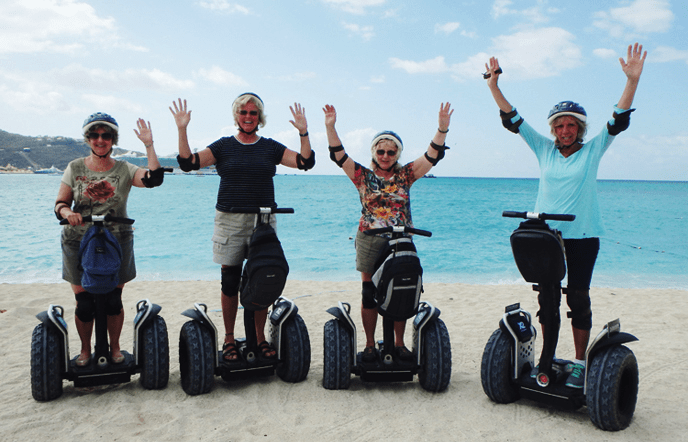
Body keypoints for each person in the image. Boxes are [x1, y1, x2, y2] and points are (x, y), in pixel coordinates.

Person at [484, 43, 647, 388]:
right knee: (547, 298)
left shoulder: (593, 150)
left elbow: (618, 118)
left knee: (577, 297)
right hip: (548, 237)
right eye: (560, 125)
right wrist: (494, 87)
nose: (565, 130)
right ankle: (545, 357)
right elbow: (514, 120)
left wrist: (631, 81)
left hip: (583, 236)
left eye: (571, 126)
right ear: (554, 129)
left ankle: (578, 363)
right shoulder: (544, 149)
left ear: (580, 129)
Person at [169, 93, 315, 363]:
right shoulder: (224, 146)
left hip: (263, 221)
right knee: (230, 281)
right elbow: (188, 164)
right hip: (231, 220)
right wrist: (182, 128)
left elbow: (305, 163)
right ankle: (228, 337)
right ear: (236, 116)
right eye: (243, 112)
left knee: (262, 279)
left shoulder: (270, 147)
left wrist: (304, 132)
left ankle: (258, 338)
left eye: (253, 113)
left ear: (260, 117)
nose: (248, 117)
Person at [323, 102, 453, 362]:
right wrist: (330, 126)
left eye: (391, 152)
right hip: (369, 239)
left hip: (400, 240)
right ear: (374, 152)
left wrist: (442, 129)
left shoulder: (406, 175)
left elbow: (431, 155)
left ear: (397, 154)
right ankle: (370, 345)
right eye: (381, 151)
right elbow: (338, 154)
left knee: (401, 290)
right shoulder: (362, 176)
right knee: (369, 293)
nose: (385, 156)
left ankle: (399, 343)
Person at [54, 113, 165, 367]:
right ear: (88, 139)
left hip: (116, 240)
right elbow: (60, 203)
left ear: (112, 139)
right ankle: (84, 351)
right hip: (78, 241)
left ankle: (115, 349)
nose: (100, 140)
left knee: (114, 300)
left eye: (105, 135)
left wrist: (149, 145)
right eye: (95, 135)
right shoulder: (75, 167)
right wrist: (68, 212)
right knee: (84, 303)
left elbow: (153, 180)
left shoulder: (124, 168)